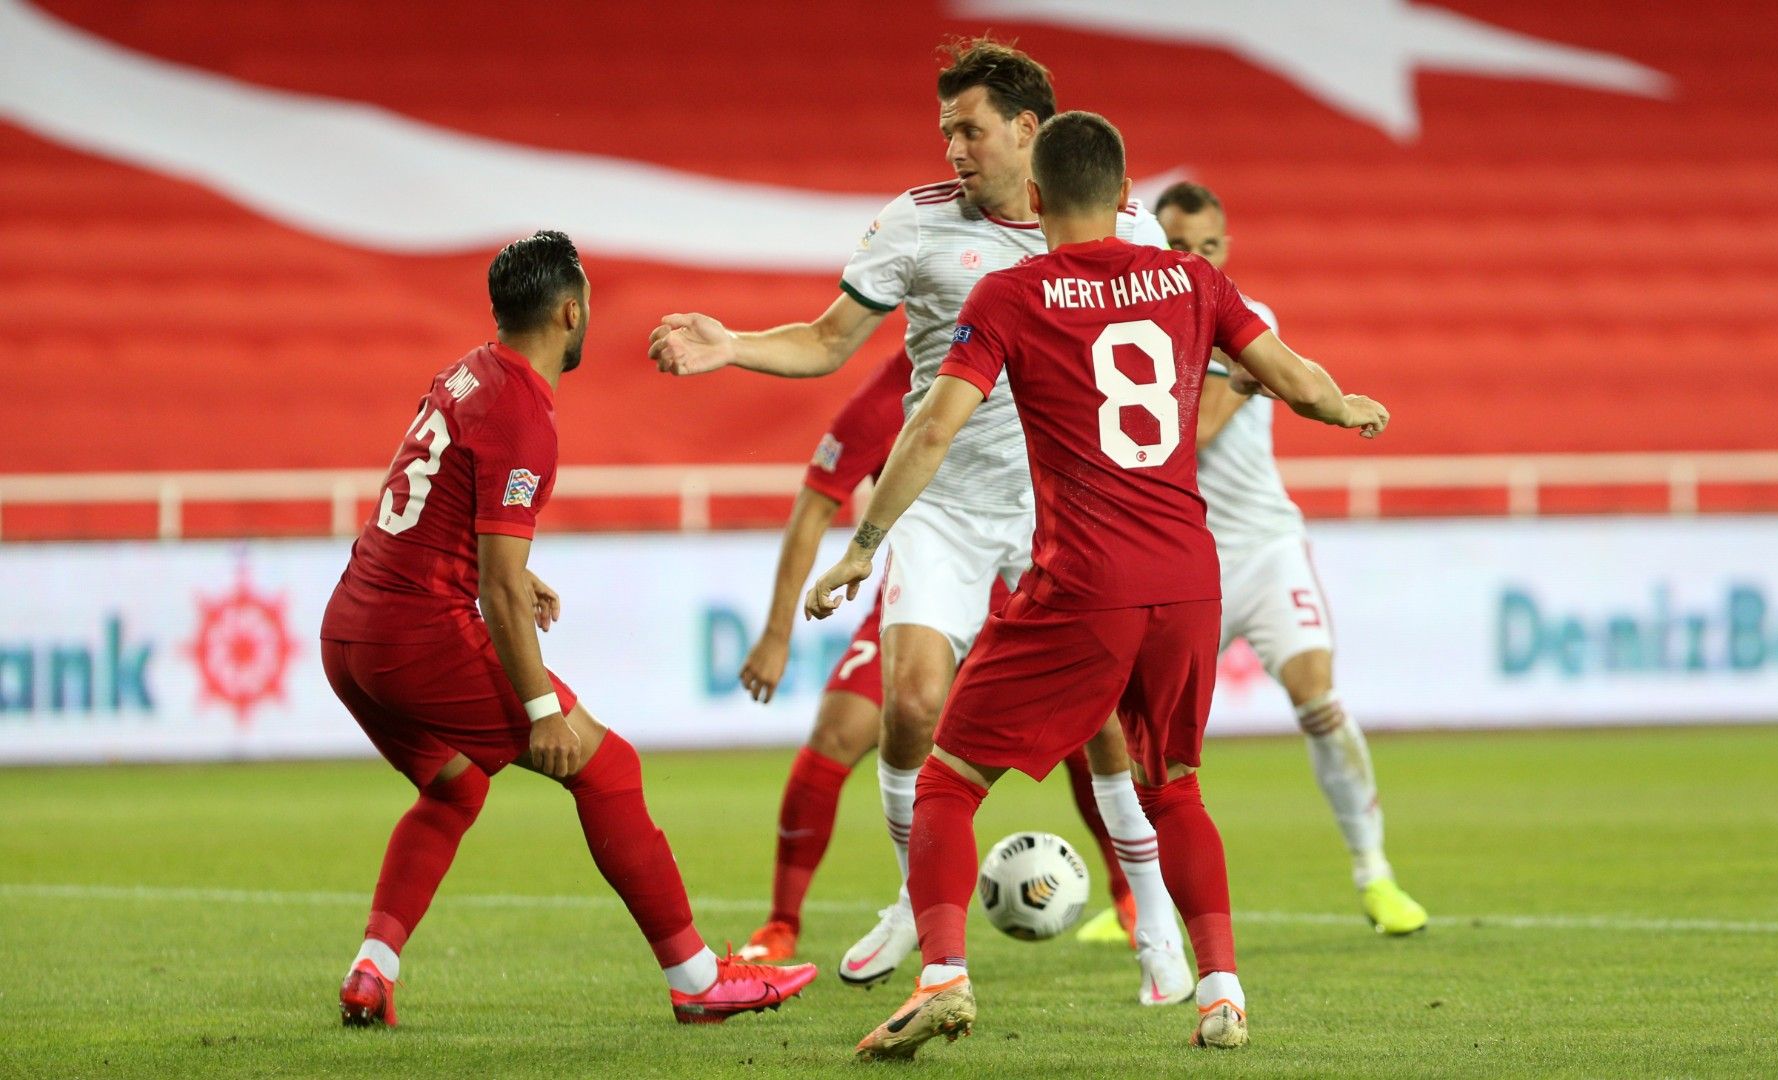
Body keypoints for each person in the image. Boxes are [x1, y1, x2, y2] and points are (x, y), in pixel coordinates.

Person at [803, 112, 1388, 1058]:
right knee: (1178, 787)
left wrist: (867, 541)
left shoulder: (1010, 292)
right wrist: (1345, 405)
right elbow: (1287, 374)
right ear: (1127, 198)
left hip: (1086, 579)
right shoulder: (1193, 278)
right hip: (1190, 577)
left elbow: (934, 430)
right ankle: (1221, 990)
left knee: (947, 778)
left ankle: (943, 975)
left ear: (1035, 199)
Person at [651, 38, 1187, 1002]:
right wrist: (731, 344)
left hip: (1060, 508)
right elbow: (826, 343)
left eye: (969, 129)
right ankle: (915, 900)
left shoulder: (1123, 227)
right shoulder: (916, 223)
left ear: (1029, 131)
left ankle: (1155, 927)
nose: (952, 148)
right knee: (908, 706)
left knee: (1105, 725)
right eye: (945, 130)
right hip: (940, 507)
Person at [319, 230, 816, 1027]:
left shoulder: (467, 372)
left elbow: (440, 511)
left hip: (348, 631)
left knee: (455, 788)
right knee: (607, 767)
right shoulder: (525, 413)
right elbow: (496, 591)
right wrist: (541, 710)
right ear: (569, 311)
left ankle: (371, 970)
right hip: (417, 635)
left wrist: (513, 572)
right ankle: (696, 979)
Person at [733, 349, 1139, 962]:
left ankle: (1134, 902)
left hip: (1022, 589)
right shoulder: (889, 393)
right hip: (924, 590)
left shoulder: (1041, 361)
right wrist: (775, 630)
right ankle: (784, 923)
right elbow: (816, 501)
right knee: (838, 733)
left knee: (1095, 726)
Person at [1158, 182, 1428, 935]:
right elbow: (1182, 434)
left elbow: (1200, 429)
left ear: (1225, 249)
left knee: (1318, 697)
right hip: (1181, 561)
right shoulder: (1137, 323)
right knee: (1140, 736)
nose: (1193, 260)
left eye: (1207, 247)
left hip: (1264, 545)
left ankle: (1375, 875)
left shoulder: (1245, 316)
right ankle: (1138, 897)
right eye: (1178, 246)